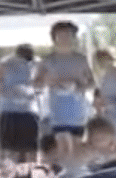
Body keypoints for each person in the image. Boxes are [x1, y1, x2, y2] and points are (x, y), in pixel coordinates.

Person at [38, 20, 95, 159]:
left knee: (77, 150)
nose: (65, 39)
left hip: (78, 113)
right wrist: (48, 81)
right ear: (54, 38)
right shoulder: (48, 60)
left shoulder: (81, 59)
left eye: (68, 35)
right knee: (63, 149)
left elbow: (92, 83)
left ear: (74, 37)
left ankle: (77, 177)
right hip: (58, 113)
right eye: (61, 35)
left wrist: (77, 86)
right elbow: (36, 84)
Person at [0, 44, 42, 161]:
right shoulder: (5, 64)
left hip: (29, 111)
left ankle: (31, 173)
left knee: (31, 150)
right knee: (10, 151)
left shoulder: (37, 64)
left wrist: (34, 92)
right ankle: (11, 173)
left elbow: (42, 85)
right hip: (9, 111)